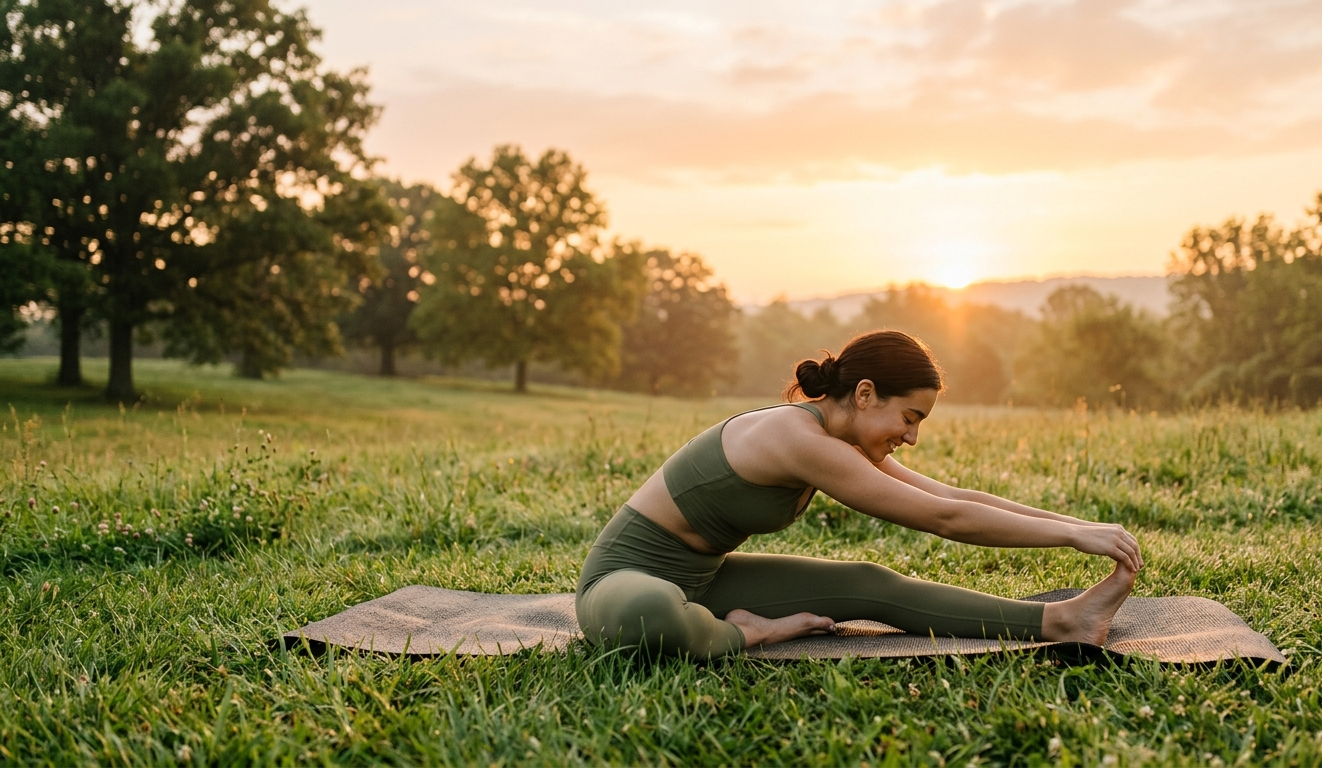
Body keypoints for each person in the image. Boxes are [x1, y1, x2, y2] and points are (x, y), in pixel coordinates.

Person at [575, 329, 1142, 657]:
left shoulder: (837, 441)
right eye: (910, 416)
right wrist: (1071, 535)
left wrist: (1077, 525)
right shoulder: (795, 437)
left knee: (870, 585)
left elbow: (952, 495)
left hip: (705, 579)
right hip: (623, 583)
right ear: (865, 393)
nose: (913, 437)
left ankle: (1062, 622)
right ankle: (744, 632)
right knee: (650, 612)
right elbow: (946, 519)